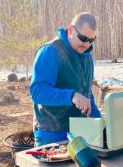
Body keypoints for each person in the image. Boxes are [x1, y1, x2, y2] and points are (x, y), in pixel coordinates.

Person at [30, 12, 101, 147]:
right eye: (83, 38)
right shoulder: (50, 52)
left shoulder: (86, 56)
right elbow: (38, 92)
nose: (87, 45)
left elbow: (86, 93)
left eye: (91, 40)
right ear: (70, 30)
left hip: (81, 133)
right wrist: (71, 96)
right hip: (52, 134)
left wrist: (99, 123)